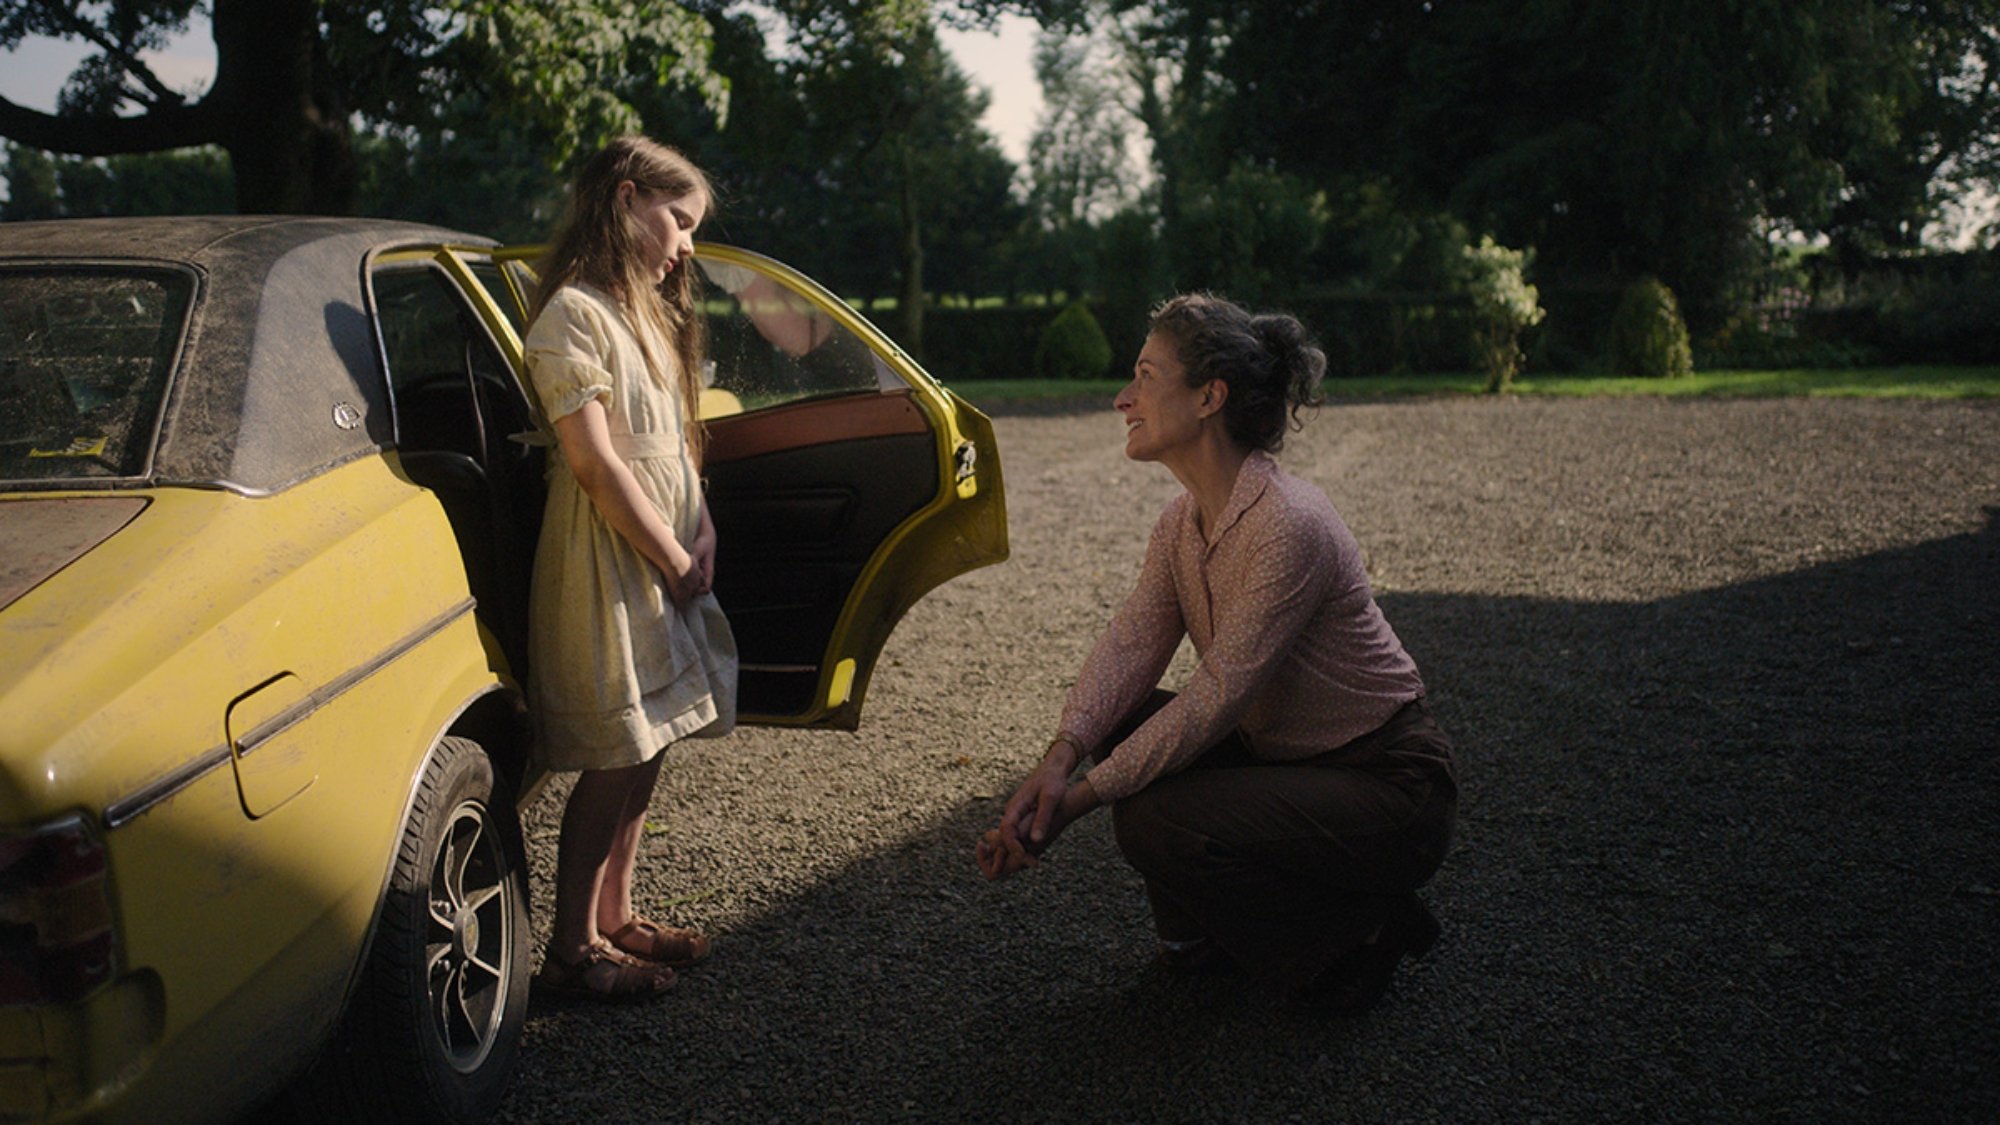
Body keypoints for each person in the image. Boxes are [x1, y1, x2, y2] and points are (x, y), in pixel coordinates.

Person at [976, 293, 1457, 1015]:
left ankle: (1360, 933)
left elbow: (1215, 697)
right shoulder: (1182, 521)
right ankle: (1203, 939)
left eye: (1144, 375)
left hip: (1388, 786)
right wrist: (1056, 759)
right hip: (1290, 764)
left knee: (1151, 819)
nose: (1122, 398)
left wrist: (1072, 805)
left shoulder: (1287, 525)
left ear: (1210, 395)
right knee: (1125, 718)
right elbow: (1133, 642)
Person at [524, 136, 737, 1001]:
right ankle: (570, 953)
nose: (686, 243)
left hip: (667, 538)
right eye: (677, 220)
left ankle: (617, 912)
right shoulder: (571, 315)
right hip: (614, 549)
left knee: (656, 736)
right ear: (625, 199)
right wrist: (670, 550)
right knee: (618, 748)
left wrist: (704, 519)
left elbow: (674, 441)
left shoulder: (644, 309)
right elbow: (599, 466)